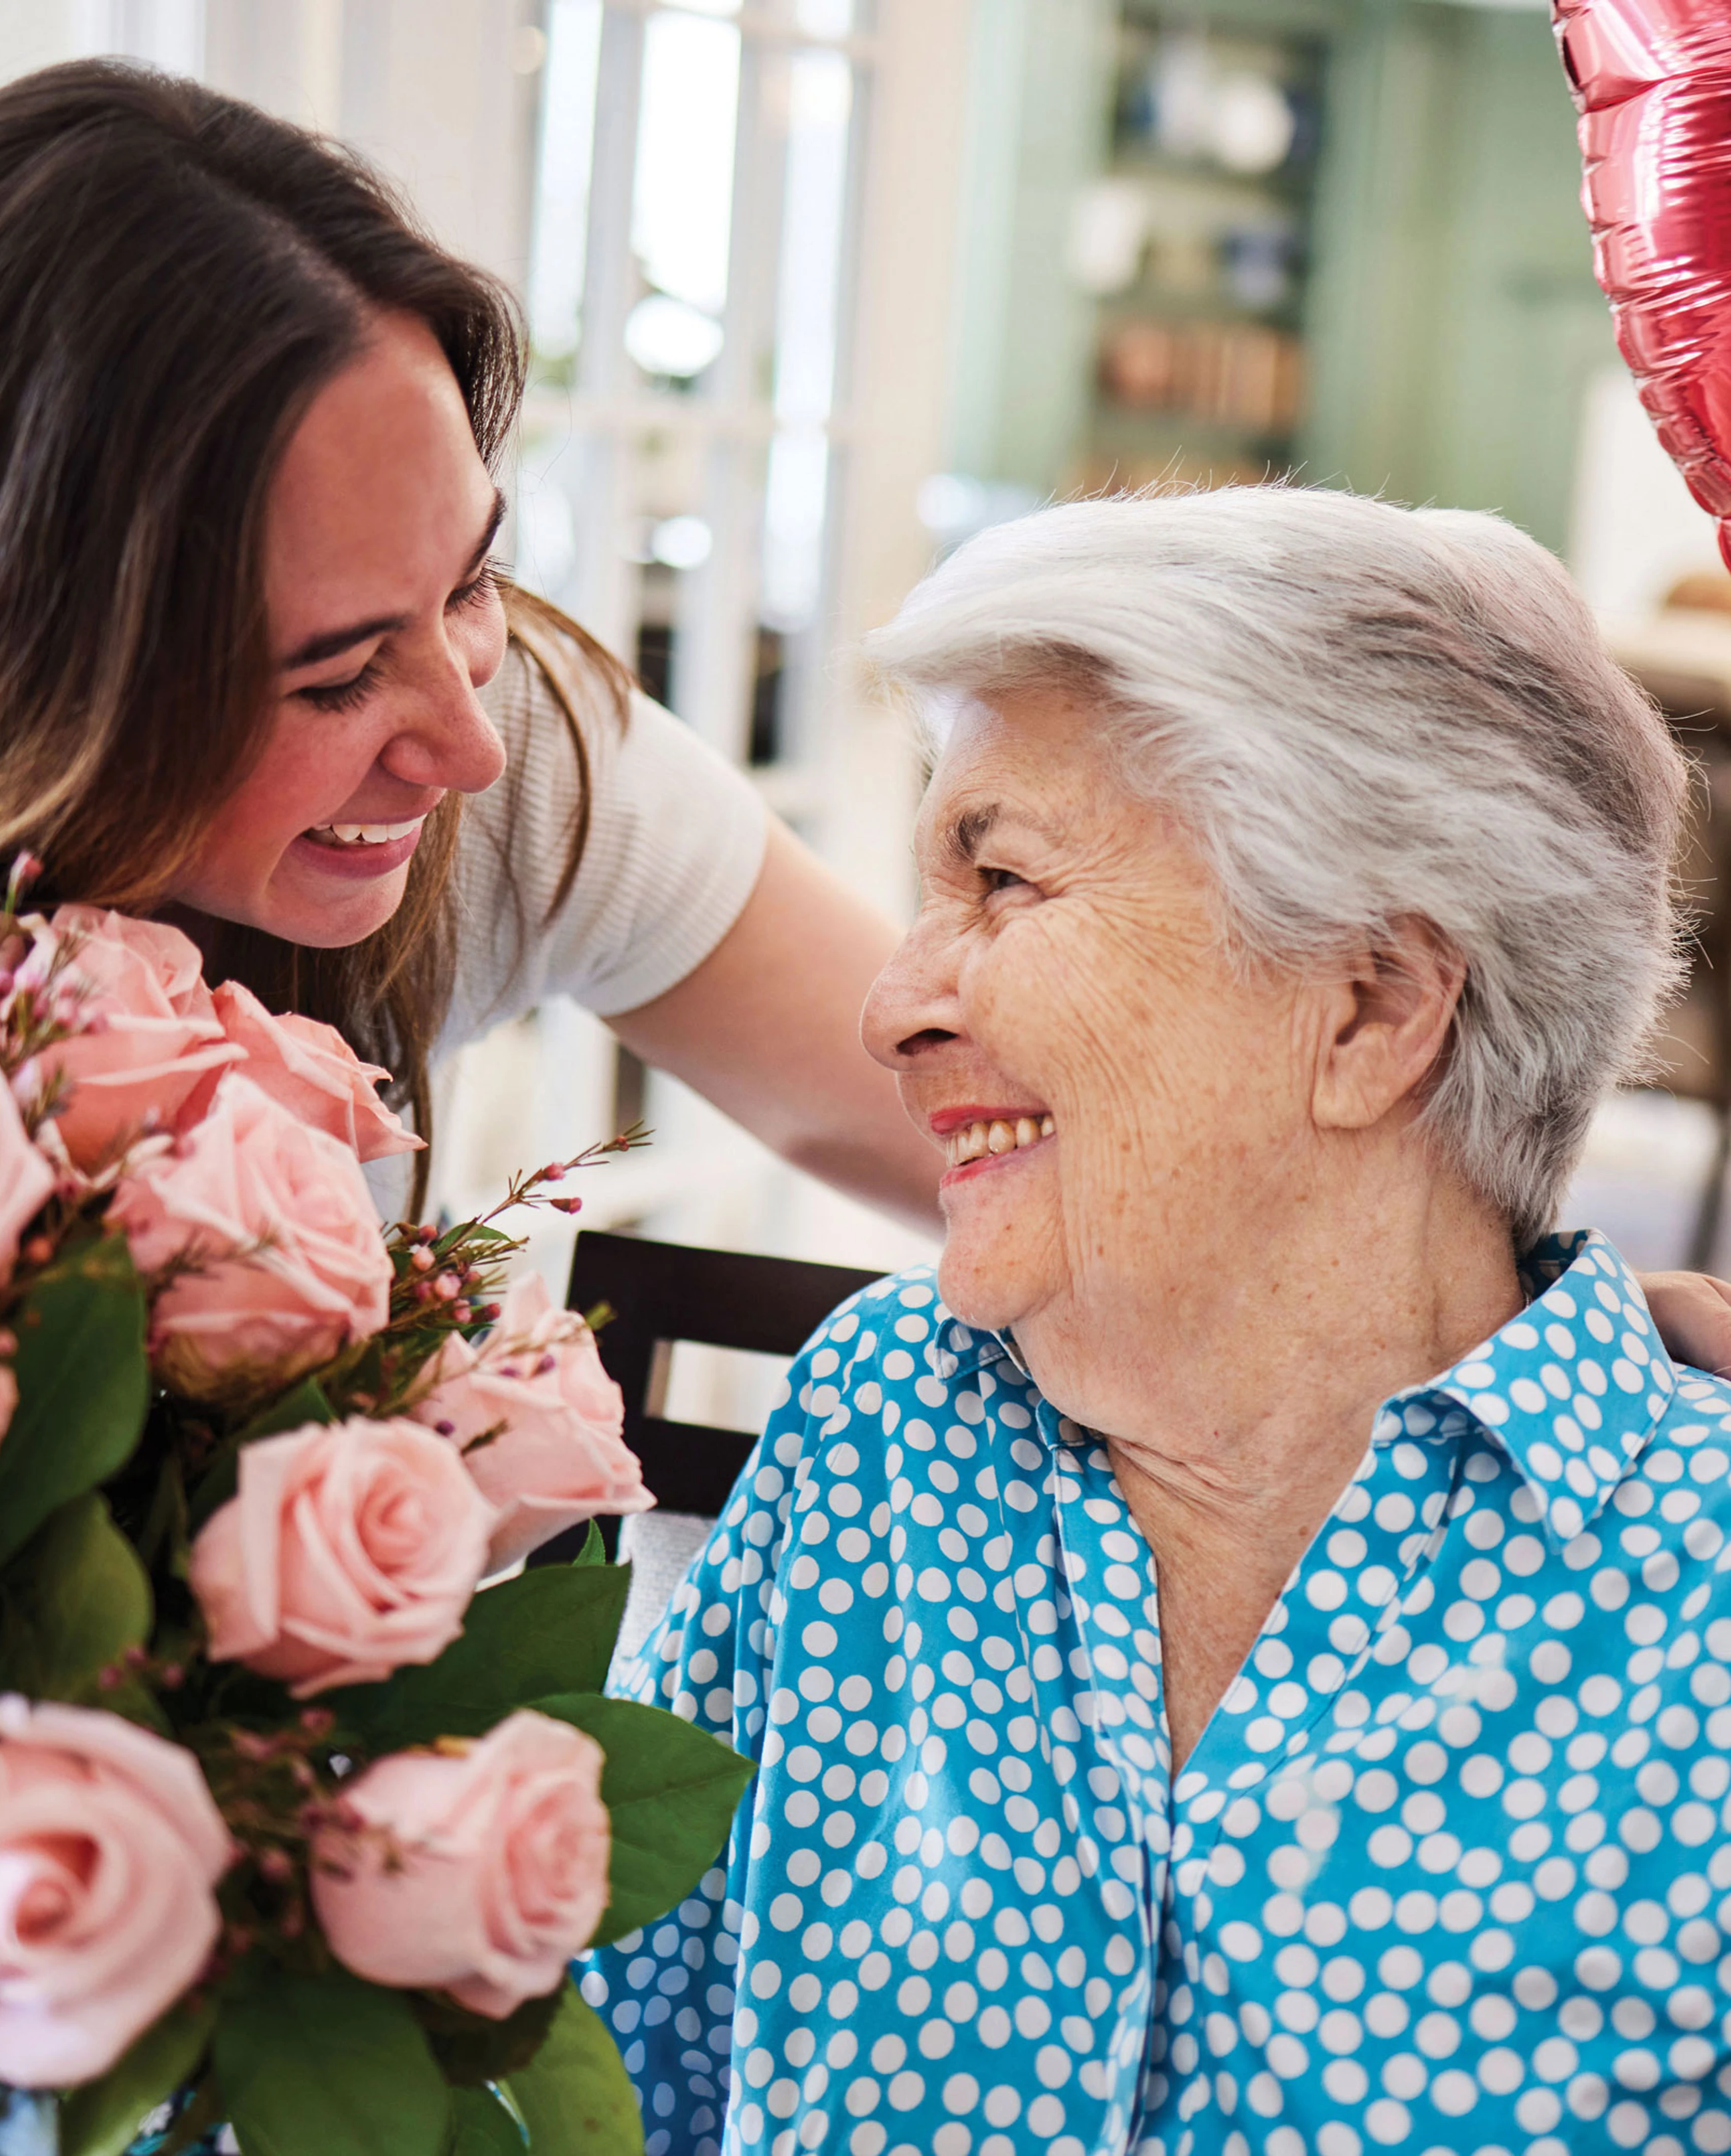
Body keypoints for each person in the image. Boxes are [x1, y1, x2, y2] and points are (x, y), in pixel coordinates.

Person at [0, 55, 1725, 1357]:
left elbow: (957, 1106)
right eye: (328, 670)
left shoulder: (513, 757)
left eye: (467, 581)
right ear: (23, 688)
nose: (462, 732)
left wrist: (1573, 1324)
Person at [585, 488, 1731, 2155]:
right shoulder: (884, 1434)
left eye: (1003, 880)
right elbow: (609, 2097)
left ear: (1372, 1006)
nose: (891, 1003)